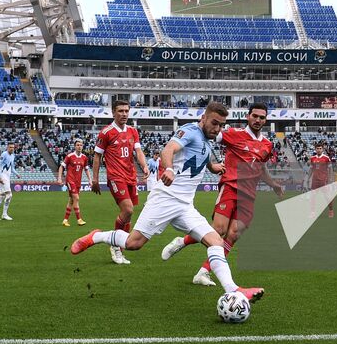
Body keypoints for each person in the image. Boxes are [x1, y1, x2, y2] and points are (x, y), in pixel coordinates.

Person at [70, 101, 264, 304]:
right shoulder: (189, 130)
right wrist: (169, 168)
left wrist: (212, 166)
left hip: (185, 206)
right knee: (133, 243)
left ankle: (234, 290)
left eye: (221, 125)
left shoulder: (207, 140)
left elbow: (199, 154)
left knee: (216, 241)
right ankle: (96, 236)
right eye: (214, 123)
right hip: (165, 199)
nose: (218, 129)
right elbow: (168, 150)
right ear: (203, 118)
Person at [161, 102, 284, 286]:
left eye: (262, 117)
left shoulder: (267, 144)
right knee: (218, 230)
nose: (258, 120)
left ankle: (203, 272)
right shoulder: (233, 134)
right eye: (255, 116)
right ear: (248, 116)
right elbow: (205, 138)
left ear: (266, 120)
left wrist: (273, 184)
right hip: (231, 186)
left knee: (233, 235)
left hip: (249, 195)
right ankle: (183, 241)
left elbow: (262, 168)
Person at [92, 101, 150, 265]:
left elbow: (138, 151)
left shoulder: (132, 131)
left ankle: (121, 247)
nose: (124, 114)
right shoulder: (106, 132)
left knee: (129, 214)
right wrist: (95, 179)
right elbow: (97, 156)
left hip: (131, 176)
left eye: (126, 111)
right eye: (120, 111)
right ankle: (115, 245)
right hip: (116, 177)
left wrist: (144, 166)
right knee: (128, 209)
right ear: (113, 113)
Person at [56, 139, 89, 227]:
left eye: (81, 145)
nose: (79, 146)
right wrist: (59, 178)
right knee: (76, 198)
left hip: (78, 182)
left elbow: (86, 169)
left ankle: (65, 220)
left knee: (71, 200)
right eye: (77, 145)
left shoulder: (84, 157)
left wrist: (90, 180)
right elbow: (61, 167)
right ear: (75, 146)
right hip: (70, 180)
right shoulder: (70, 156)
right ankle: (79, 219)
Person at [0, 142, 19, 221]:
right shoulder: (4, 154)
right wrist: (0, 177)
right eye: (10, 147)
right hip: (2, 176)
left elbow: (12, 168)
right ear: (7, 147)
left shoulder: (13, 156)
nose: (12, 149)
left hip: (7, 177)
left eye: (13, 147)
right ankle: (4, 214)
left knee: (2, 195)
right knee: (9, 195)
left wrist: (17, 174)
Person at [309, 142, 334, 218]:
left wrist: (330, 179)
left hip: (324, 181)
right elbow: (311, 169)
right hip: (315, 181)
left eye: (320, 148)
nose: (319, 150)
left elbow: (330, 169)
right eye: (317, 148)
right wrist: (307, 178)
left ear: (322, 149)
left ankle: (331, 210)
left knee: (327, 197)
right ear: (315, 149)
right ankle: (313, 212)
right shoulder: (312, 158)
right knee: (312, 197)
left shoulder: (326, 158)